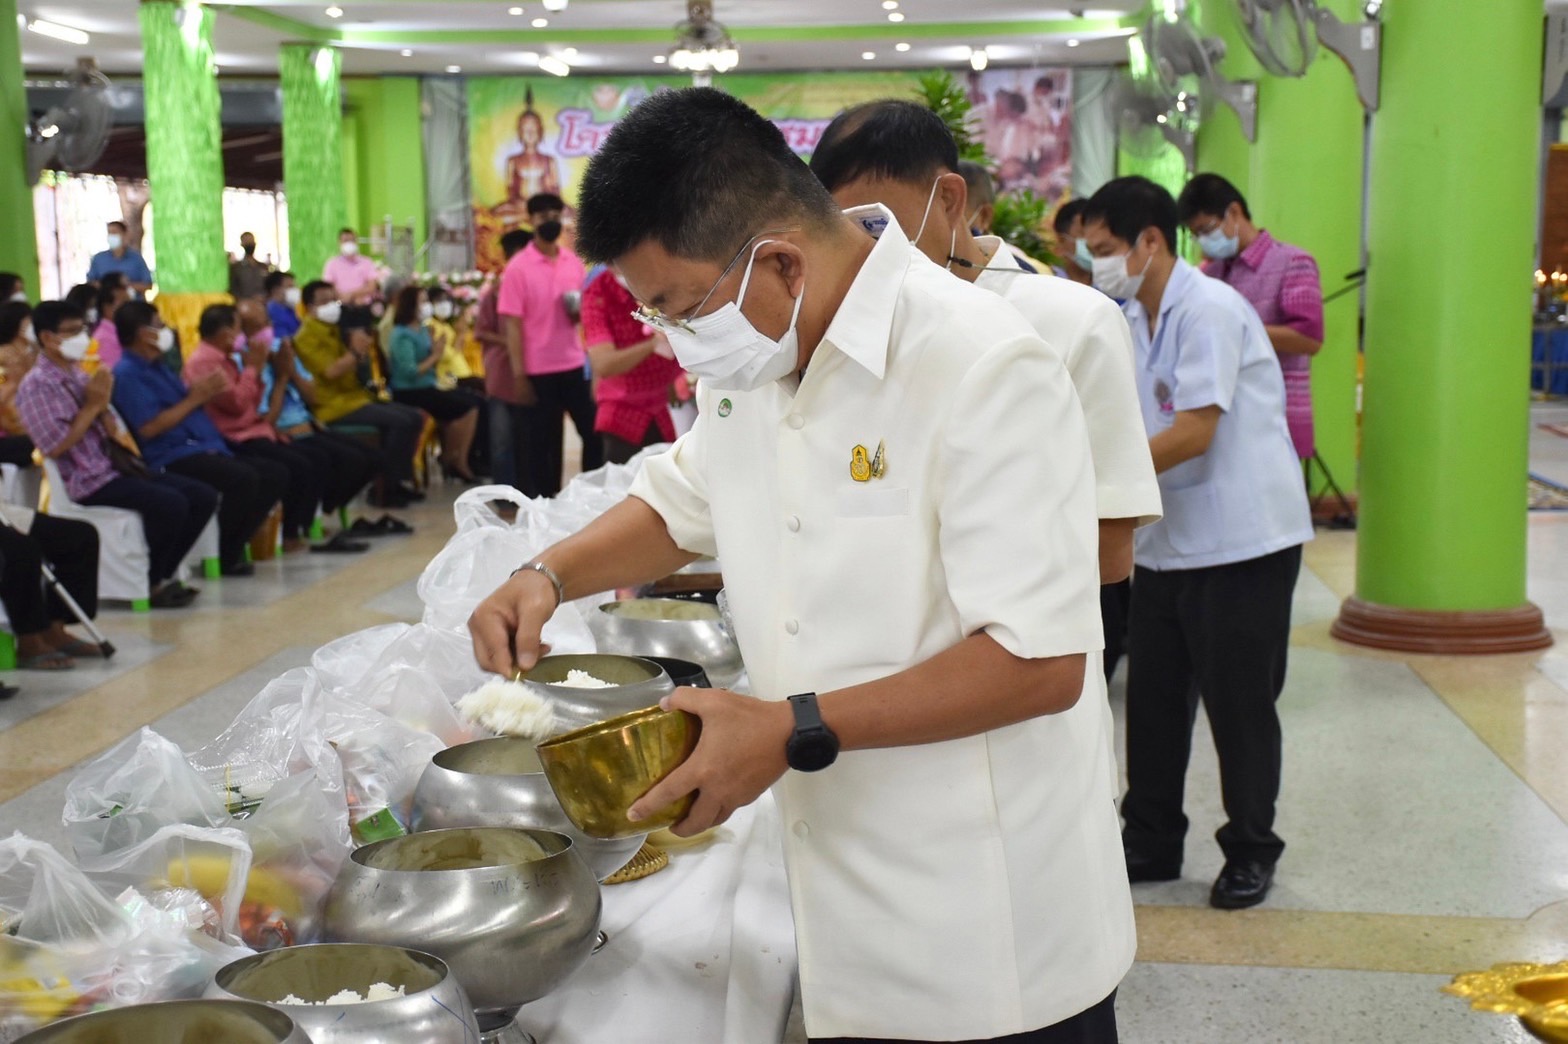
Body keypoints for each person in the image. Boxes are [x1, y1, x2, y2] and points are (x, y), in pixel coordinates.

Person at [469, 87, 1128, 1044]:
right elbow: (681, 500)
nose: (674, 338)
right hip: (837, 897)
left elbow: (1040, 662)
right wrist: (547, 573)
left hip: (988, 924)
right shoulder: (756, 356)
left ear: (778, 261)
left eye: (679, 309)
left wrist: (790, 727)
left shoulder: (983, 366)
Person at [811, 99, 1161, 597]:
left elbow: (1109, 550)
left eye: (878, 228)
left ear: (950, 199)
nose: (868, 256)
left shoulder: (1074, 321)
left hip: (1021, 635)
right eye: (847, 235)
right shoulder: (857, 331)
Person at [1081, 176, 1314, 911]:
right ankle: (1151, 839)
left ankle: (1251, 848)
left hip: (1243, 542)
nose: (1096, 263)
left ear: (1150, 241)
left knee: (1239, 708)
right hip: (1167, 542)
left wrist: (1088, 479)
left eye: (1105, 249)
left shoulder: (1209, 308)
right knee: (1153, 706)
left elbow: (1194, 431)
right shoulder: (1129, 315)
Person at [17, 301, 210, 609]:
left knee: (202, 496)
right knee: (171, 504)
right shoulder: (36, 386)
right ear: (47, 338)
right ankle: (151, 582)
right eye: (72, 332)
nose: (81, 337)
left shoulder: (78, 373)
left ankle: (161, 572)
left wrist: (104, 412)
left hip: (114, 467)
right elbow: (55, 446)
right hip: (85, 480)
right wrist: (93, 407)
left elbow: (105, 423)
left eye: (82, 329)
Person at [111, 301, 287, 577]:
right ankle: (226, 552)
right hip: (168, 453)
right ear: (144, 334)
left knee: (274, 473)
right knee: (243, 479)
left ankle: (235, 543)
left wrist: (198, 394)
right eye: (159, 326)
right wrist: (197, 397)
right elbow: (148, 428)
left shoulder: (158, 367)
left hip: (201, 443)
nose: (166, 331)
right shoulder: (127, 374)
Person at [1177, 173, 1324, 461]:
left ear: (1234, 213)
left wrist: (1239, 328)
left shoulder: (1293, 262)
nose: (1204, 242)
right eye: (1196, 235)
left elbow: (1309, 339)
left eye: (1207, 230)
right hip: (1223, 420)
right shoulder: (1208, 273)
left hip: (1276, 417)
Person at [181, 302, 325, 554]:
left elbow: (252, 402)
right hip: (231, 436)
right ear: (226, 333)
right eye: (240, 330)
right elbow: (236, 405)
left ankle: (284, 531)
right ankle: (237, 544)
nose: (244, 337)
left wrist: (257, 372)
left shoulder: (225, 359)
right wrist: (252, 369)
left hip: (251, 429)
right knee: (282, 471)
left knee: (310, 460)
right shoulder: (204, 362)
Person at [496, 193, 601, 497]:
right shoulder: (518, 268)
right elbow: (512, 326)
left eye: (556, 216)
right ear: (531, 221)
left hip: (573, 364)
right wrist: (519, 376)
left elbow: (585, 310)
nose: (551, 222)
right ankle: (547, 504)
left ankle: (590, 497)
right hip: (537, 370)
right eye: (543, 217)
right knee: (542, 446)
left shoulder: (572, 262)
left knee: (594, 432)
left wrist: (578, 314)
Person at [293, 280, 425, 507]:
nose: (332, 306)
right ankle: (384, 490)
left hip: (355, 397)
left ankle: (396, 482)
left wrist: (360, 351)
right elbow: (331, 371)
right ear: (309, 307)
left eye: (334, 300)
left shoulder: (336, 329)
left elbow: (354, 365)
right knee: (401, 422)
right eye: (324, 302)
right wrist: (355, 351)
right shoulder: (306, 337)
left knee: (414, 416)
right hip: (333, 405)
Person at [578, 268, 684, 465]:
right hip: (623, 415)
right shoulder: (599, 292)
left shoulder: (660, 278)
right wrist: (653, 343)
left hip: (666, 408)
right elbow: (603, 363)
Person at [386, 285, 482, 482]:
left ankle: (457, 458)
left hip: (429, 384)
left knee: (472, 401)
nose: (427, 306)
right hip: (410, 390)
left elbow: (433, 359)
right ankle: (453, 460)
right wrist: (435, 355)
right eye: (422, 302)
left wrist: (436, 349)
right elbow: (410, 371)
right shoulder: (401, 334)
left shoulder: (423, 329)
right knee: (466, 408)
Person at [478, 229, 533, 489]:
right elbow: (481, 331)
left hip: (534, 372)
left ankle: (529, 490)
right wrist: (511, 341)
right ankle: (504, 495)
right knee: (502, 440)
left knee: (529, 438)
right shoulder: (494, 293)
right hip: (502, 374)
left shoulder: (535, 287)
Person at [322, 228, 381, 311]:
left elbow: (372, 286)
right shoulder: (332, 264)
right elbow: (328, 287)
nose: (349, 243)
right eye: (346, 240)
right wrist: (343, 297)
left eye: (352, 240)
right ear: (339, 242)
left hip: (363, 306)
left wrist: (352, 295)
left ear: (357, 242)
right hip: (340, 305)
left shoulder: (367, 262)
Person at [85, 221, 153, 293]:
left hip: (132, 300)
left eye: (114, 232)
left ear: (124, 235)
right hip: (105, 299)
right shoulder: (98, 259)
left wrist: (124, 287)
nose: (111, 236)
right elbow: (90, 283)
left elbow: (148, 285)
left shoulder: (136, 259)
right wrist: (107, 286)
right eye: (109, 233)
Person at [91, 277, 132, 369]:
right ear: (107, 307)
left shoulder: (121, 331)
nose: (130, 308)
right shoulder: (104, 339)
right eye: (125, 303)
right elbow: (116, 372)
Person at [1053, 199, 1094, 286]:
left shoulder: (1107, 289)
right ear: (1061, 240)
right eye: (1085, 234)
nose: (1094, 243)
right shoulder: (1044, 278)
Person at [229, 231, 271, 301]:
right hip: (245, 303)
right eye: (247, 242)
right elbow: (234, 289)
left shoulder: (263, 266)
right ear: (242, 244)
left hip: (263, 303)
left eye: (251, 241)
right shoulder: (237, 268)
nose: (250, 244)